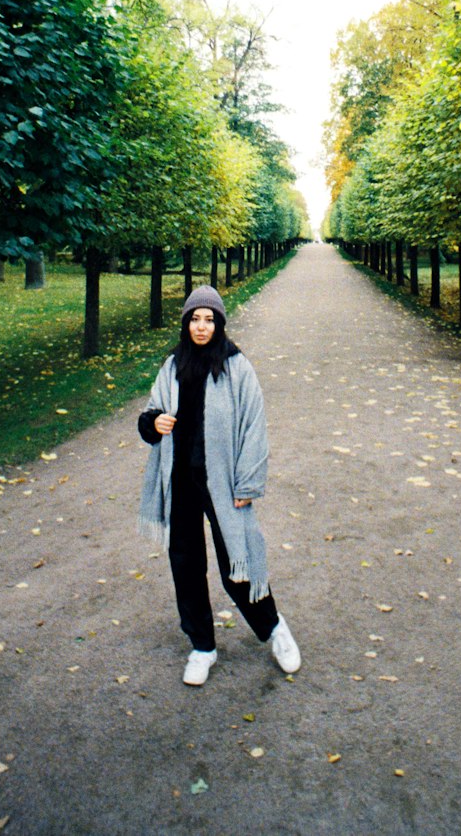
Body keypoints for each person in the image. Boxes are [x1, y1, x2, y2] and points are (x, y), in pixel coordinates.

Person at [138, 284, 301, 686]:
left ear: (220, 323)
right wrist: (153, 423)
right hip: (181, 482)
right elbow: (150, 415)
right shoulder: (172, 365)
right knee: (186, 564)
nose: (201, 326)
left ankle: (274, 628)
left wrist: (248, 482)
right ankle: (202, 647)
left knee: (238, 565)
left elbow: (254, 427)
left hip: (224, 485)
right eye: (195, 318)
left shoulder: (236, 366)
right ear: (186, 323)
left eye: (209, 319)